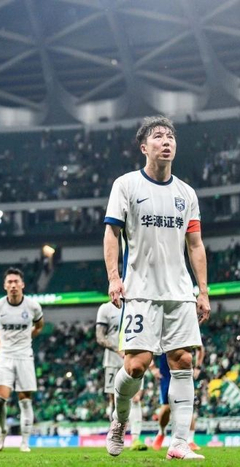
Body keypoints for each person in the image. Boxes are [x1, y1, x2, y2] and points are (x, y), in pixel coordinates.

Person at [103, 116, 209, 460]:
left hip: (179, 292)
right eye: (158, 136)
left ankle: (179, 442)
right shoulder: (126, 185)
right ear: (144, 147)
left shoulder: (186, 193)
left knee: (183, 360)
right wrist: (114, 277)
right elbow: (112, 233)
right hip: (140, 290)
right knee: (136, 365)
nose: (166, 141)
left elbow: (195, 244)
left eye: (171, 137)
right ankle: (119, 419)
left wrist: (202, 291)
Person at [0, 268, 44, 453]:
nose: (13, 285)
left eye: (16, 281)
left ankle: (25, 442)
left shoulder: (33, 306)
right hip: (5, 356)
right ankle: (2, 432)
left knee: (25, 401)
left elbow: (39, 325)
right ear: (5, 286)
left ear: (22, 284)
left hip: (25, 356)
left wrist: (28, 337)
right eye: (9, 282)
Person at [95, 301, 147, 451]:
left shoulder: (137, 304)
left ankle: (136, 439)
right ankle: (115, 435)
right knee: (115, 400)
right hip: (112, 361)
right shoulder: (105, 308)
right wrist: (118, 349)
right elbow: (100, 337)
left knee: (136, 398)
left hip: (135, 359)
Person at [151, 345, 205, 451]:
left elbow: (200, 347)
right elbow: (149, 346)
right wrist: (152, 367)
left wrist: (198, 367)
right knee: (166, 406)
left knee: (187, 403)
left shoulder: (188, 334)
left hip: (185, 371)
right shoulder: (164, 334)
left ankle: (190, 440)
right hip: (166, 373)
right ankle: (161, 432)